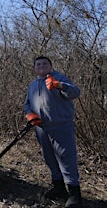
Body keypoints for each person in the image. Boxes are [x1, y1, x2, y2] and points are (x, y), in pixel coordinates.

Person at [24, 56, 82, 207]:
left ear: (50, 66)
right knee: (49, 158)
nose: (41, 66)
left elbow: (75, 92)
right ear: (35, 68)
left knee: (66, 158)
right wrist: (29, 114)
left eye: (45, 63)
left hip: (61, 125)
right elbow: (27, 104)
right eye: (38, 64)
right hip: (41, 128)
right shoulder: (33, 85)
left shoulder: (58, 78)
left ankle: (74, 194)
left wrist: (60, 86)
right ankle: (58, 187)